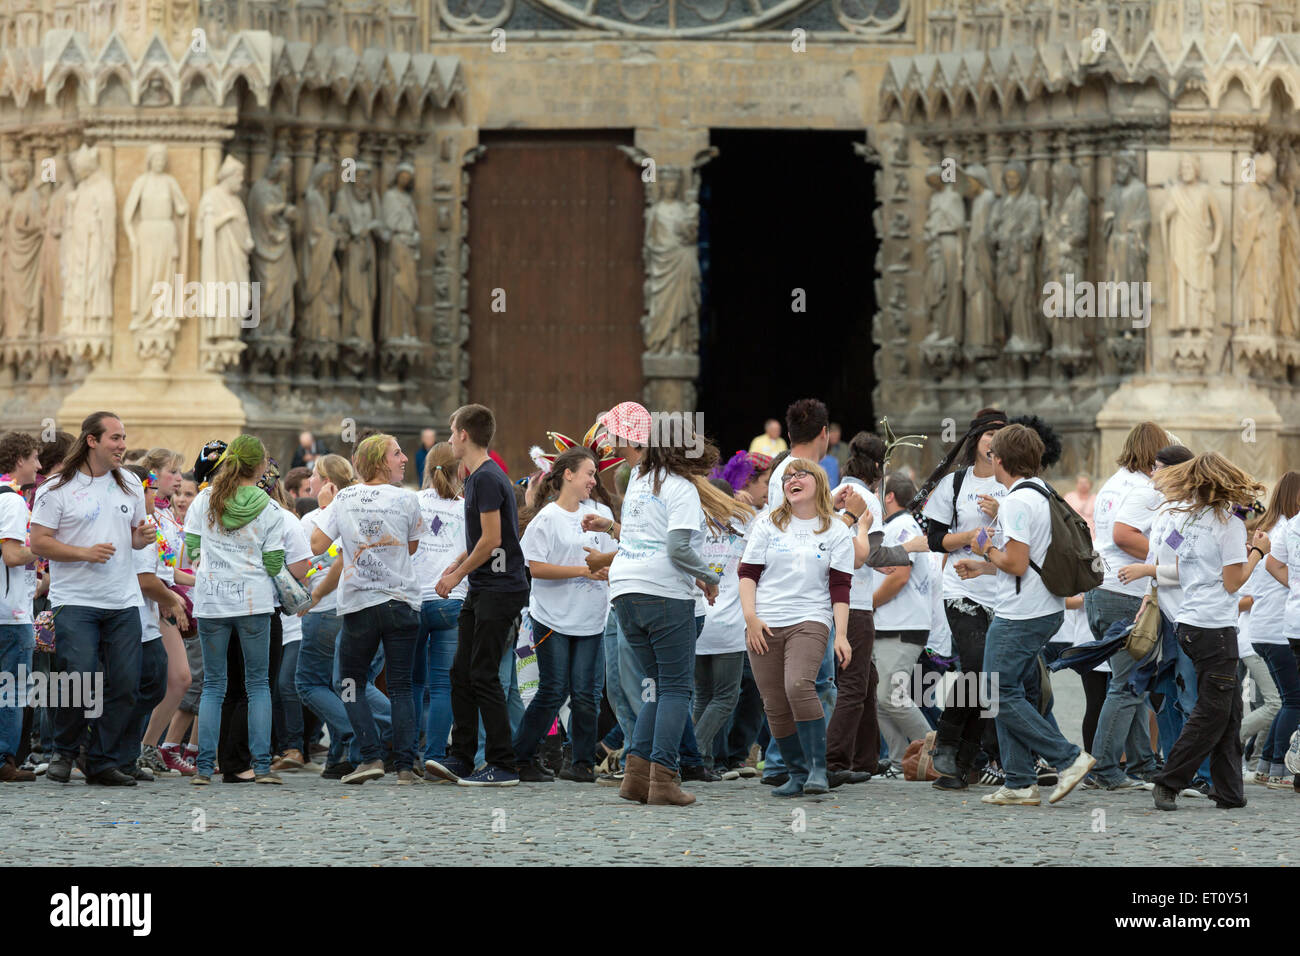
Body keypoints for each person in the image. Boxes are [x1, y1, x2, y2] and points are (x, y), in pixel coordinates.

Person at [953, 424, 1095, 806]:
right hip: (1043, 606)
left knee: (994, 692)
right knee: (1007, 690)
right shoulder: (1041, 492)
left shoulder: (1016, 501)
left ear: (999, 459)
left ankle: (1068, 757)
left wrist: (984, 549)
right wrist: (984, 567)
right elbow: (1029, 559)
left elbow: (1015, 563)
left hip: (1020, 613)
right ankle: (1018, 781)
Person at [31, 412, 157, 786]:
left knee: (124, 683)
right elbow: (39, 542)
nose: (122, 445)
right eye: (115, 438)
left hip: (122, 599)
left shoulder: (131, 483)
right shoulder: (56, 488)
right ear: (92, 440)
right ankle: (64, 750)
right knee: (78, 677)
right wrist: (84, 553)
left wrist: (142, 538)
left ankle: (102, 760)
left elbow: (132, 536)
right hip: (75, 599)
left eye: (123, 438)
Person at [607, 421, 722, 807]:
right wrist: (709, 577)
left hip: (624, 589)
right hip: (664, 591)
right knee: (676, 689)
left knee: (656, 685)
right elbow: (677, 549)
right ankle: (664, 779)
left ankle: (636, 778)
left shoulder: (640, 479)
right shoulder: (680, 487)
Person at [1149, 453, 1265, 811]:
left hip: (1188, 621)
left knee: (1229, 711)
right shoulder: (1227, 525)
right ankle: (1169, 781)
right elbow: (1234, 583)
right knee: (1212, 711)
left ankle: (1229, 791)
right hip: (1215, 626)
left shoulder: (1186, 519)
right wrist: (1258, 552)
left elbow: (1173, 562)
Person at [309, 434, 423, 785]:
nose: (404, 458)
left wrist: (326, 506)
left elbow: (317, 544)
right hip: (401, 602)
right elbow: (413, 546)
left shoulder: (343, 498)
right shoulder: (407, 499)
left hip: (360, 604)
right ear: (379, 461)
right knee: (401, 686)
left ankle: (370, 755)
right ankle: (405, 765)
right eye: (397, 453)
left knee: (349, 682)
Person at [427, 404, 530, 787]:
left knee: (484, 674)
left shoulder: (486, 479)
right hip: (485, 586)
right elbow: (479, 540)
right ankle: (462, 757)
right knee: (461, 672)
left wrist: (456, 578)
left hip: (499, 589)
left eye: (453, 432)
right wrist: (456, 565)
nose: (450, 438)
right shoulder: (477, 478)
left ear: (465, 435)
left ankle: (503, 763)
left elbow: (492, 540)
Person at [739, 459, 853, 796]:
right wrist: (750, 618)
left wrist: (842, 635)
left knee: (799, 684)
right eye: (788, 476)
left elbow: (841, 587)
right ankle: (796, 773)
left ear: (818, 483)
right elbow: (748, 574)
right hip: (765, 621)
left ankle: (819, 769)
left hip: (810, 618)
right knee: (773, 701)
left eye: (801, 475)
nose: (793, 479)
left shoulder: (836, 530)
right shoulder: (766, 525)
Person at [184, 434, 287, 786]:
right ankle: (260, 767)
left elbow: (192, 545)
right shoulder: (270, 508)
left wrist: (209, 565)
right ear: (260, 467)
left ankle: (202, 769)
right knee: (257, 685)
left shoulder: (203, 501)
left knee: (214, 686)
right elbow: (274, 561)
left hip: (212, 601)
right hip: (253, 601)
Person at [917, 409, 1010, 788]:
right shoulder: (956, 484)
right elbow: (935, 537)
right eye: (991, 435)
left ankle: (964, 763)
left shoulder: (1020, 487)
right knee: (976, 663)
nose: (996, 443)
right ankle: (948, 737)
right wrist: (968, 537)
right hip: (962, 587)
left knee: (993, 679)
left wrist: (1005, 511)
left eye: (1004, 437)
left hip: (1003, 590)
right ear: (976, 440)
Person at [513, 447, 616, 782]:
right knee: (554, 690)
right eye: (589, 472)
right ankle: (522, 756)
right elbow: (536, 567)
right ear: (568, 475)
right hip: (552, 618)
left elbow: (616, 554)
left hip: (591, 618)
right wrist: (583, 571)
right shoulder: (546, 517)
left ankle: (582, 763)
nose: (594, 480)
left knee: (586, 694)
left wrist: (606, 567)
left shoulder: (599, 513)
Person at [1085, 422, 1171, 789]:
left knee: (1131, 680)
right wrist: (1162, 556)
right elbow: (1124, 535)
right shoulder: (1145, 488)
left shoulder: (1111, 484)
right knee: (1127, 686)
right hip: (1124, 592)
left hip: (1099, 590)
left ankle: (1142, 761)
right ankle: (1103, 768)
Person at [122, 463, 188, 782]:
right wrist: (172, 600)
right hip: (136, 610)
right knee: (136, 684)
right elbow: (147, 578)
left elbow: (164, 570)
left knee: (166, 679)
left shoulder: (161, 518)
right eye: (170, 471)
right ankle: (114, 749)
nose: (176, 478)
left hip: (152, 608)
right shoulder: (143, 522)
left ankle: (141, 746)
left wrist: (196, 582)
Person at [869, 473, 935, 778]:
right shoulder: (898, 526)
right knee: (881, 698)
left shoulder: (900, 527)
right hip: (891, 624)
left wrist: (869, 604)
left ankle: (936, 753)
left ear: (890, 497)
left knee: (891, 696)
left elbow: (899, 576)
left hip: (902, 624)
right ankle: (898, 762)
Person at [410, 442, 468, 772]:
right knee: (444, 685)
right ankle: (434, 754)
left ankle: (409, 755)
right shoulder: (467, 507)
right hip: (451, 600)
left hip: (416, 599)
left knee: (413, 683)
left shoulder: (413, 502)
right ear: (460, 469)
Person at [0, 432, 41, 782]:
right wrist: (46, 549)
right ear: (18, 461)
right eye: (34, 459)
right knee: (12, 690)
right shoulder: (12, 501)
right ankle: (3, 760)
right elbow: (13, 555)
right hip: (10, 613)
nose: (38, 466)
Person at [1263, 471, 1300, 789]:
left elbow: (1272, 563)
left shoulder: (1284, 526)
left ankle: (1271, 763)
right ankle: (1281, 766)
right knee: (1291, 700)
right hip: (1277, 625)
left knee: (1286, 699)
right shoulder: (1288, 526)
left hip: (1284, 623)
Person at [1064, 473, 1097, 538]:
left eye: (1086, 482)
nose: (1083, 485)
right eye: (1081, 483)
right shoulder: (1069, 497)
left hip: (1091, 533)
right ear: (1076, 484)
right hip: (1074, 532)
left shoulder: (1096, 498)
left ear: (1091, 484)